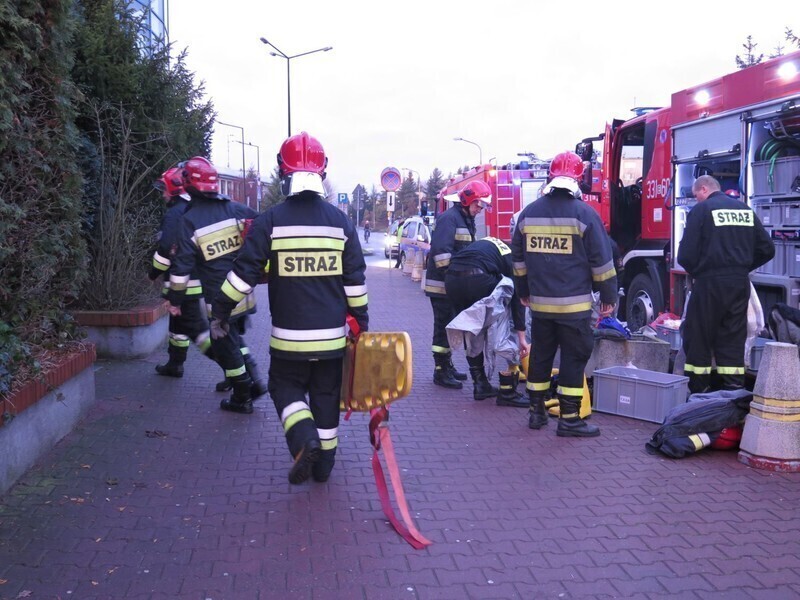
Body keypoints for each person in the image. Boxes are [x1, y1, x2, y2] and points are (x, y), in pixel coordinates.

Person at [213, 132, 368, 485]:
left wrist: (220, 311)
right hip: (331, 340)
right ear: (322, 173)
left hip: (289, 341)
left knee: (285, 388)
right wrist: (362, 322)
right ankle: (324, 464)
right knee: (327, 395)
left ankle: (304, 439)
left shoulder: (269, 221)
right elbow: (355, 282)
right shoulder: (341, 222)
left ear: (283, 173)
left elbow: (243, 274)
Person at [511, 151, 617, 437]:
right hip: (575, 308)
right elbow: (602, 262)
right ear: (578, 179)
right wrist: (609, 297)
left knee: (542, 356)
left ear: (550, 176)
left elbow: (518, 262)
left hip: (540, 307)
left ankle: (536, 413)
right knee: (573, 357)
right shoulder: (585, 214)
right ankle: (570, 418)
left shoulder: (527, 214)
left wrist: (523, 293)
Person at [166, 156, 266, 414]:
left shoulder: (189, 220)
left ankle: (242, 395)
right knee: (233, 338)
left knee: (224, 344)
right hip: (243, 292)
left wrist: (175, 300)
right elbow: (263, 227)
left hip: (218, 298)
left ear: (188, 184)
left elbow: (181, 269)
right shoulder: (236, 209)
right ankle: (253, 380)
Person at [677, 174, 774, 394]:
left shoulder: (701, 211)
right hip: (739, 284)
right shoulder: (745, 211)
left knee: (699, 336)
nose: (696, 200)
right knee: (733, 337)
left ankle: (698, 393)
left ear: (703, 189)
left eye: (695, 195)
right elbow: (767, 249)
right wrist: (742, 267)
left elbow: (686, 255)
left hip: (709, 283)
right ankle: (732, 391)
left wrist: (699, 271)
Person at [148, 166, 217, 378]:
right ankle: (175, 363)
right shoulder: (193, 209)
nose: (163, 194)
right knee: (177, 325)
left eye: (164, 189)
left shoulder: (174, 213)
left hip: (182, 283)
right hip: (194, 279)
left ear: (174, 189)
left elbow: (166, 248)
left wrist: (153, 272)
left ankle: (232, 368)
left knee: (196, 331)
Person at [445, 236, 530, 406]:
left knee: (471, 327)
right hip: (478, 279)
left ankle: (480, 384)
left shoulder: (493, 246)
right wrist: (522, 337)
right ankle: (508, 390)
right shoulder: (513, 259)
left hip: (451, 280)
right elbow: (518, 300)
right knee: (507, 294)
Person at [424, 181, 490, 388]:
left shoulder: (464, 218)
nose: (480, 210)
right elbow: (442, 255)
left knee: (451, 327)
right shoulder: (449, 219)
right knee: (443, 328)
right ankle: (440, 371)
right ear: (468, 200)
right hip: (443, 286)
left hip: (453, 286)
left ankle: (448, 365)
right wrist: (456, 278)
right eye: (478, 205)